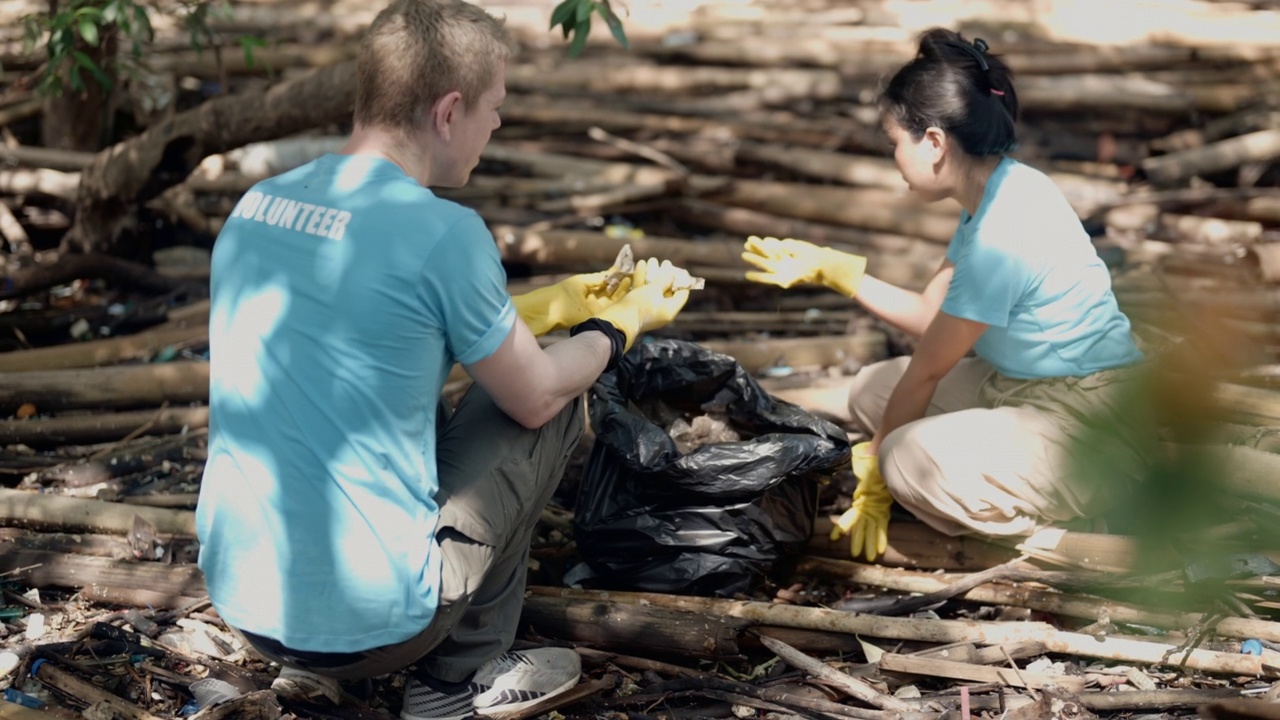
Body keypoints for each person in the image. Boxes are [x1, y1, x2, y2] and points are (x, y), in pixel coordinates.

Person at [194, 1, 693, 718]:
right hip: (377, 627)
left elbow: (386, 330)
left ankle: (329, 668)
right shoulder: (443, 232)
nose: (496, 128)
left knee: (404, 388)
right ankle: (455, 679)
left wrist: (548, 301)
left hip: (246, 604)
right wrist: (617, 326)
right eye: (495, 109)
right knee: (550, 397)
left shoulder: (257, 205)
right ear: (450, 110)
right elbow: (535, 395)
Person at [741, 28, 1154, 561]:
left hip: (1093, 426)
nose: (894, 158)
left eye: (895, 142)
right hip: (1026, 388)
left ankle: (1059, 533)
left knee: (904, 456)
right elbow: (930, 316)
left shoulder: (1003, 232)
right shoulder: (995, 189)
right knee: (871, 390)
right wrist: (838, 272)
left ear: (933, 142)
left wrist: (877, 483)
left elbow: (928, 371)